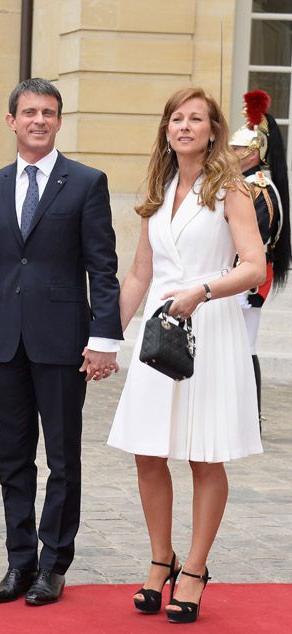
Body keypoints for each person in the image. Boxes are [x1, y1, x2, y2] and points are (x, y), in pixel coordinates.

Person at [107, 87, 265, 623]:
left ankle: (194, 569)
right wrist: (104, 335)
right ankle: (160, 560)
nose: (185, 126)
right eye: (177, 118)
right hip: (159, 334)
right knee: (147, 451)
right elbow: (139, 275)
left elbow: (254, 266)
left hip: (211, 328)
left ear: (213, 131)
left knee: (203, 454)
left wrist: (203, 290)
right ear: (166, 129)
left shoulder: (232, 190)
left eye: (196, 118)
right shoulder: (160, 187)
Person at [0, 78, 122, 606]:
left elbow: (103, 267)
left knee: (62, 457)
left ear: (58, 121)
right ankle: (18, 563)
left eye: (48, 112)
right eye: (28, 112)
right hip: (4, 341)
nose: (38, 120)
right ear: (11, 121)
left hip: (63, 342)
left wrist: (104, 336)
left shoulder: (86, 183)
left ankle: (54, 564)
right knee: (13, 458)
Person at [229, 89, 292, 427]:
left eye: (238, 148)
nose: (232, 153)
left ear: (255, 153)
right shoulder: (245, 185)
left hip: (247, 279)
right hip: (240, 276)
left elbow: (253, 240)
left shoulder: (260, 190)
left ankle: (248, 414)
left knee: (243, 345)